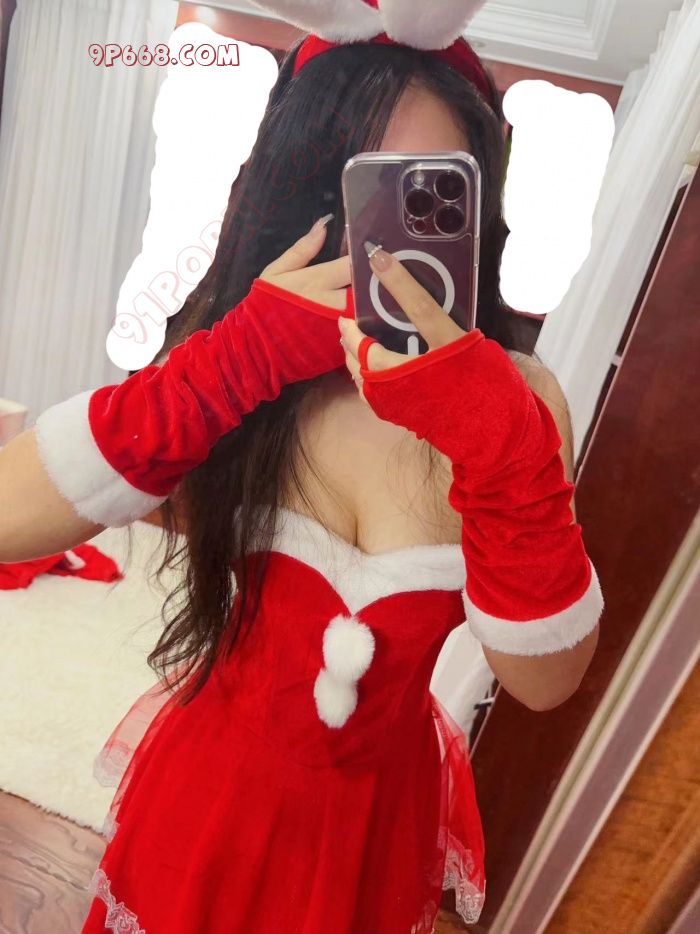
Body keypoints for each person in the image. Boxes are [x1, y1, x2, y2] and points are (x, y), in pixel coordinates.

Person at [0, 5, 604, 931]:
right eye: (356, 187)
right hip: (208, 796)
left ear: (477, 203)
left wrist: (495, 440)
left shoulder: (522, 397)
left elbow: (546, 681)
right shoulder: (239, 353)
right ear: (300, 193)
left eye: (427, 191)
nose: (386, 237)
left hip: (377, 826)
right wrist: (232, 364)